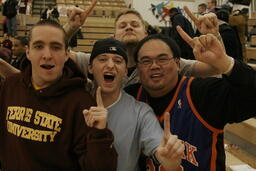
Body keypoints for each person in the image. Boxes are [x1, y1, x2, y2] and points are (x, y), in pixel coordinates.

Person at [124, 26, 256, 171]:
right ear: (137, 67)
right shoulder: (129, 98)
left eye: (162, 59)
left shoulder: (203, 93)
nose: (154, 66)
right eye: (146, 61)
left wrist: (224, 62)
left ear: (178, 64)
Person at [0, 19, 117, 170]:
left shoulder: (82, 103)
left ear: (67, 54)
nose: (47, 55)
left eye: (55, 47)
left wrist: (99, 135)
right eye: (39, 46)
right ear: (28, 52)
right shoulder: (10, 86)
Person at [84, 37, 184, 171]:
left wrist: (170, 160)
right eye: (102, 59)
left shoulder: (140, 111)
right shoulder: (76, 103)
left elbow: (161, 151)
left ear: (125, 71)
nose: (110, 65)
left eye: (118, 61)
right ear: (90, 67)